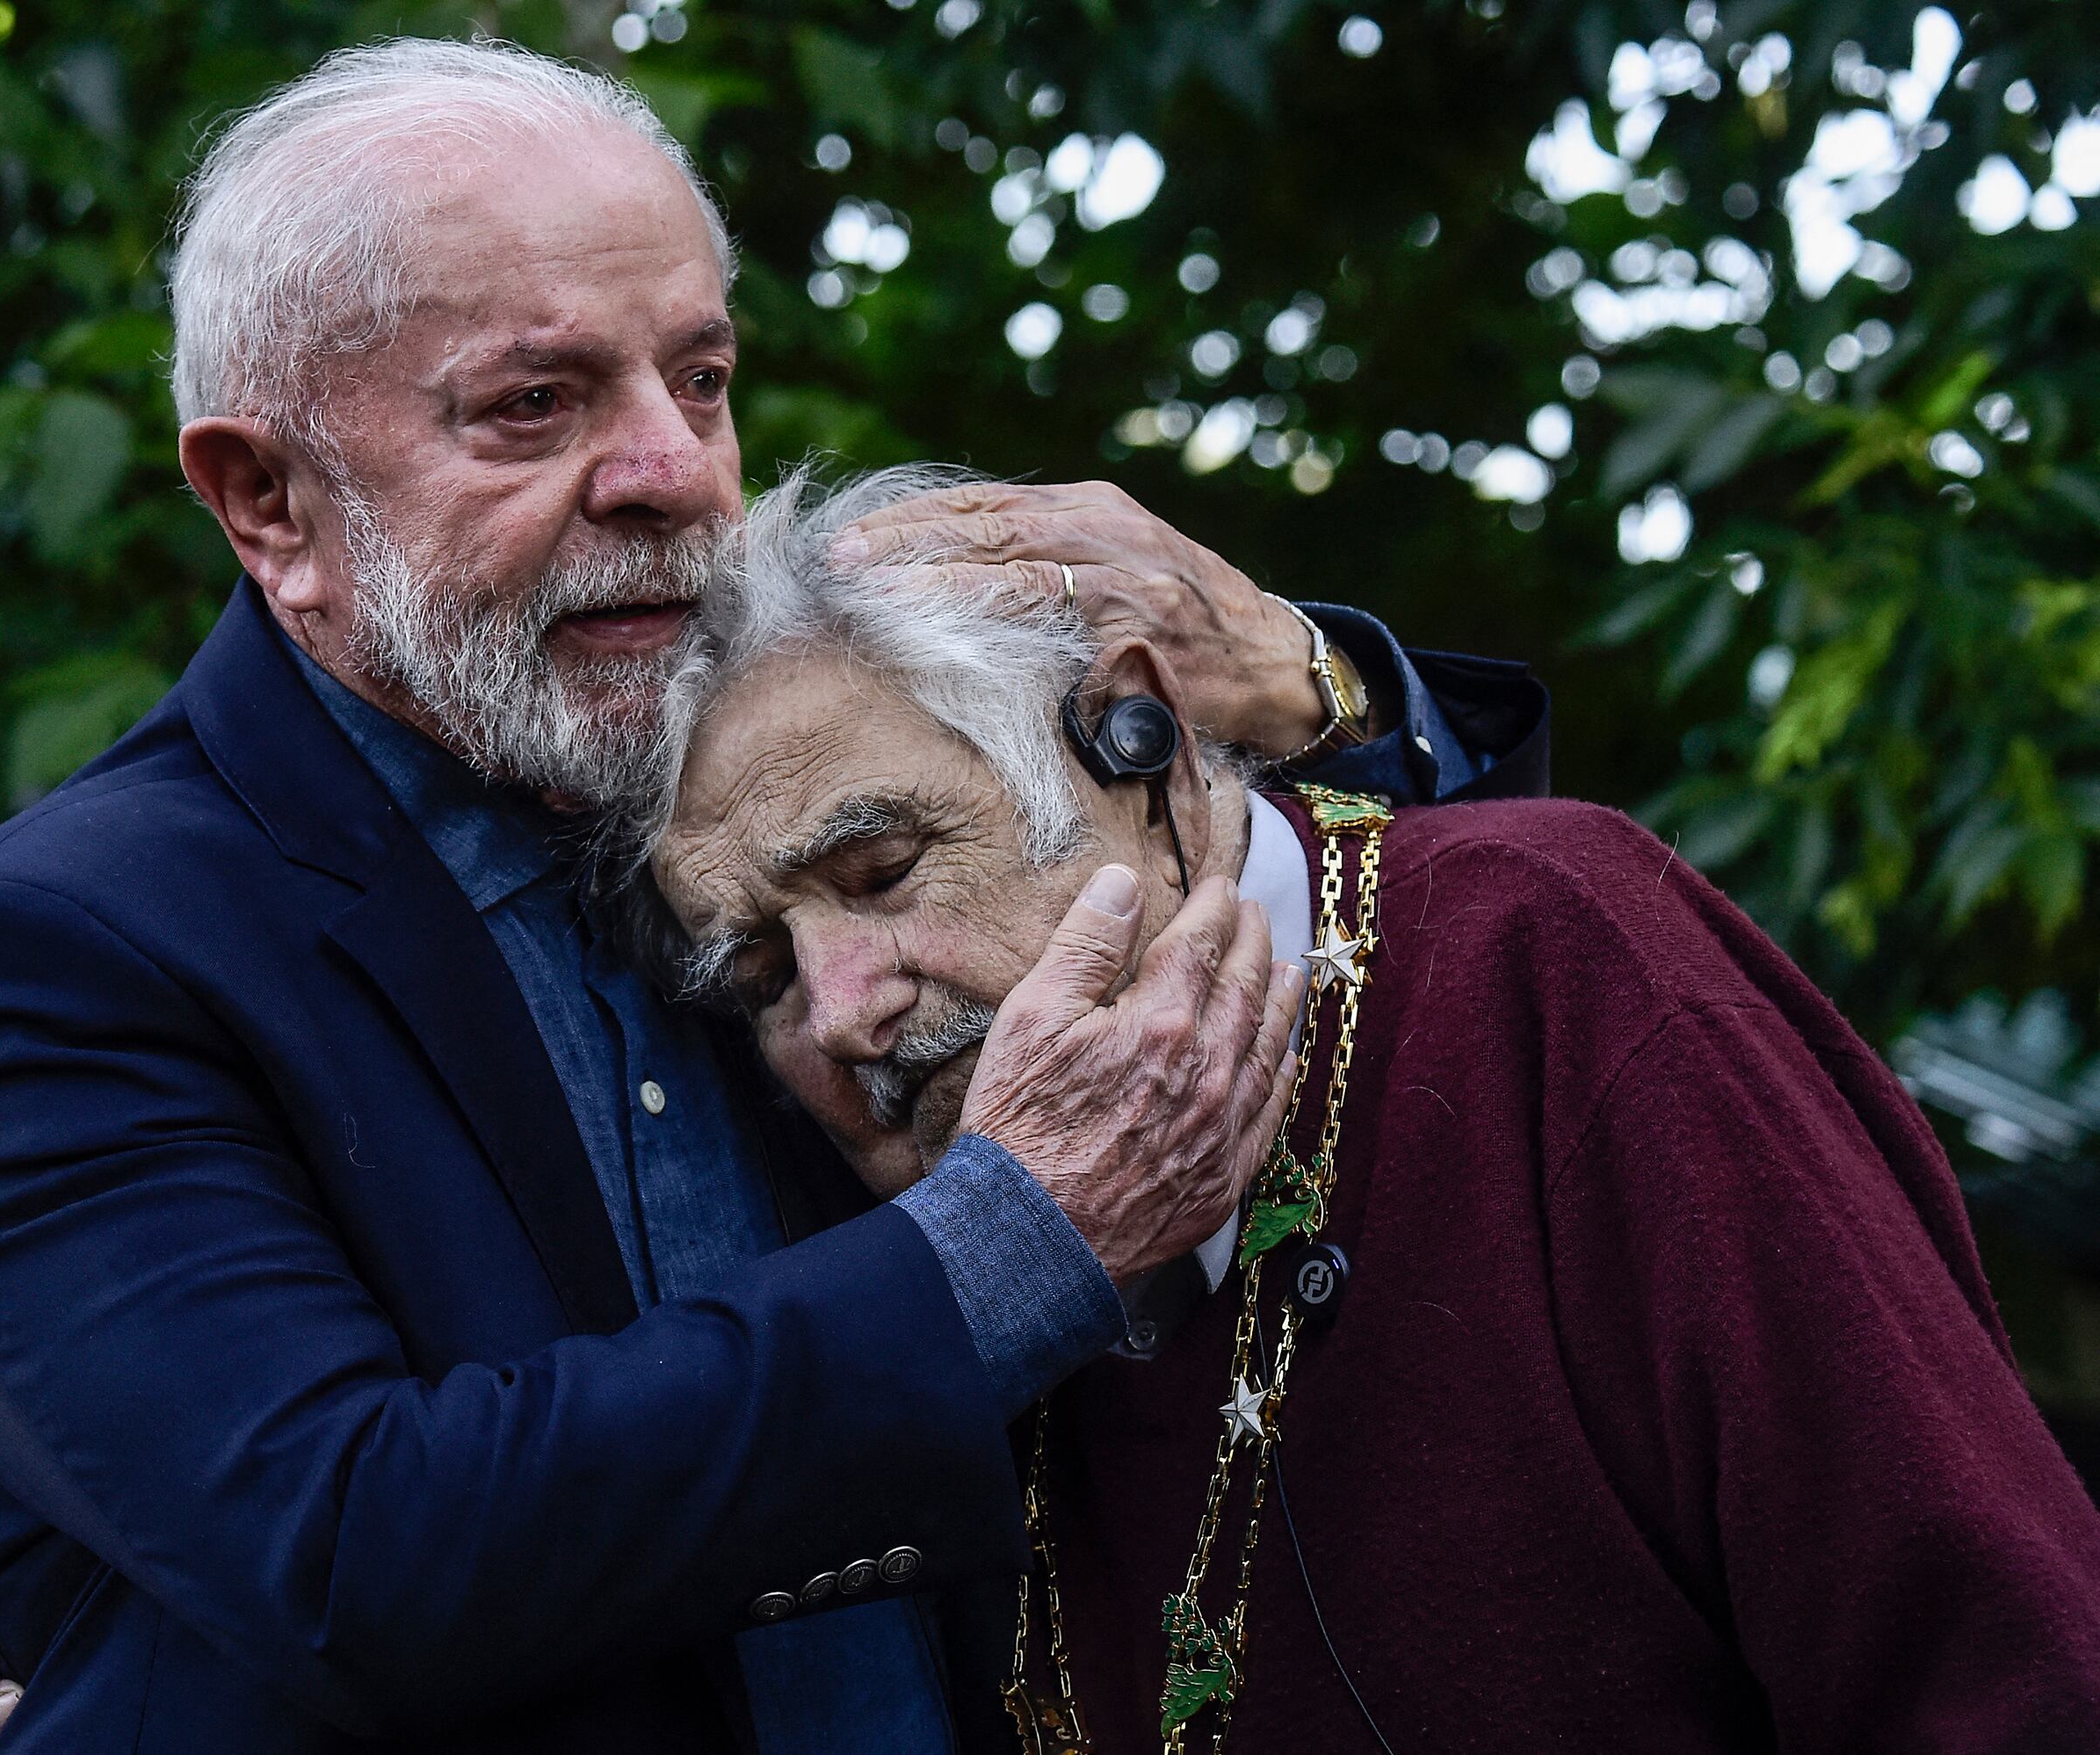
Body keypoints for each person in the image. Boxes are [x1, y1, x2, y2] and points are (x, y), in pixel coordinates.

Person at [0, 40, 1549, 1755]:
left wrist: (1314, 685)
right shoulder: (60, 953)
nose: (673, 472)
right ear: (267, 500)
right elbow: (355, 1555)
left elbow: (1409, 983)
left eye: (701, 377)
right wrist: (1008, 1246)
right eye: (536, 405)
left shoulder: (795, 765)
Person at [636, 467, 2100, 1753]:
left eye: (885, 871)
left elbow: (2001, 1666)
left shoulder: (1553, 949)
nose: (841, 1008)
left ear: (1128, 738)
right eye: (761, 970)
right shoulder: (893, 1267)